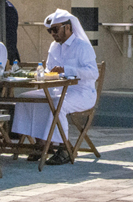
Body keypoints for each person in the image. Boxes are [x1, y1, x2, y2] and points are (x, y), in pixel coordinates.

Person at [12, 9, 99, 166]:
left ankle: (64, 148)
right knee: (26, 98)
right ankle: (41, 142)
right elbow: (50, 71)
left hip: (81, 93)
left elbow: (93, 73)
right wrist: (40, 74)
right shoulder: (54, 46)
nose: (52, 33)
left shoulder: (82, 46)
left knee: (58, 105)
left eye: (55, 29)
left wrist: (67, 69)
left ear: (67, 27)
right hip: (57, 89)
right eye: (49, 30)